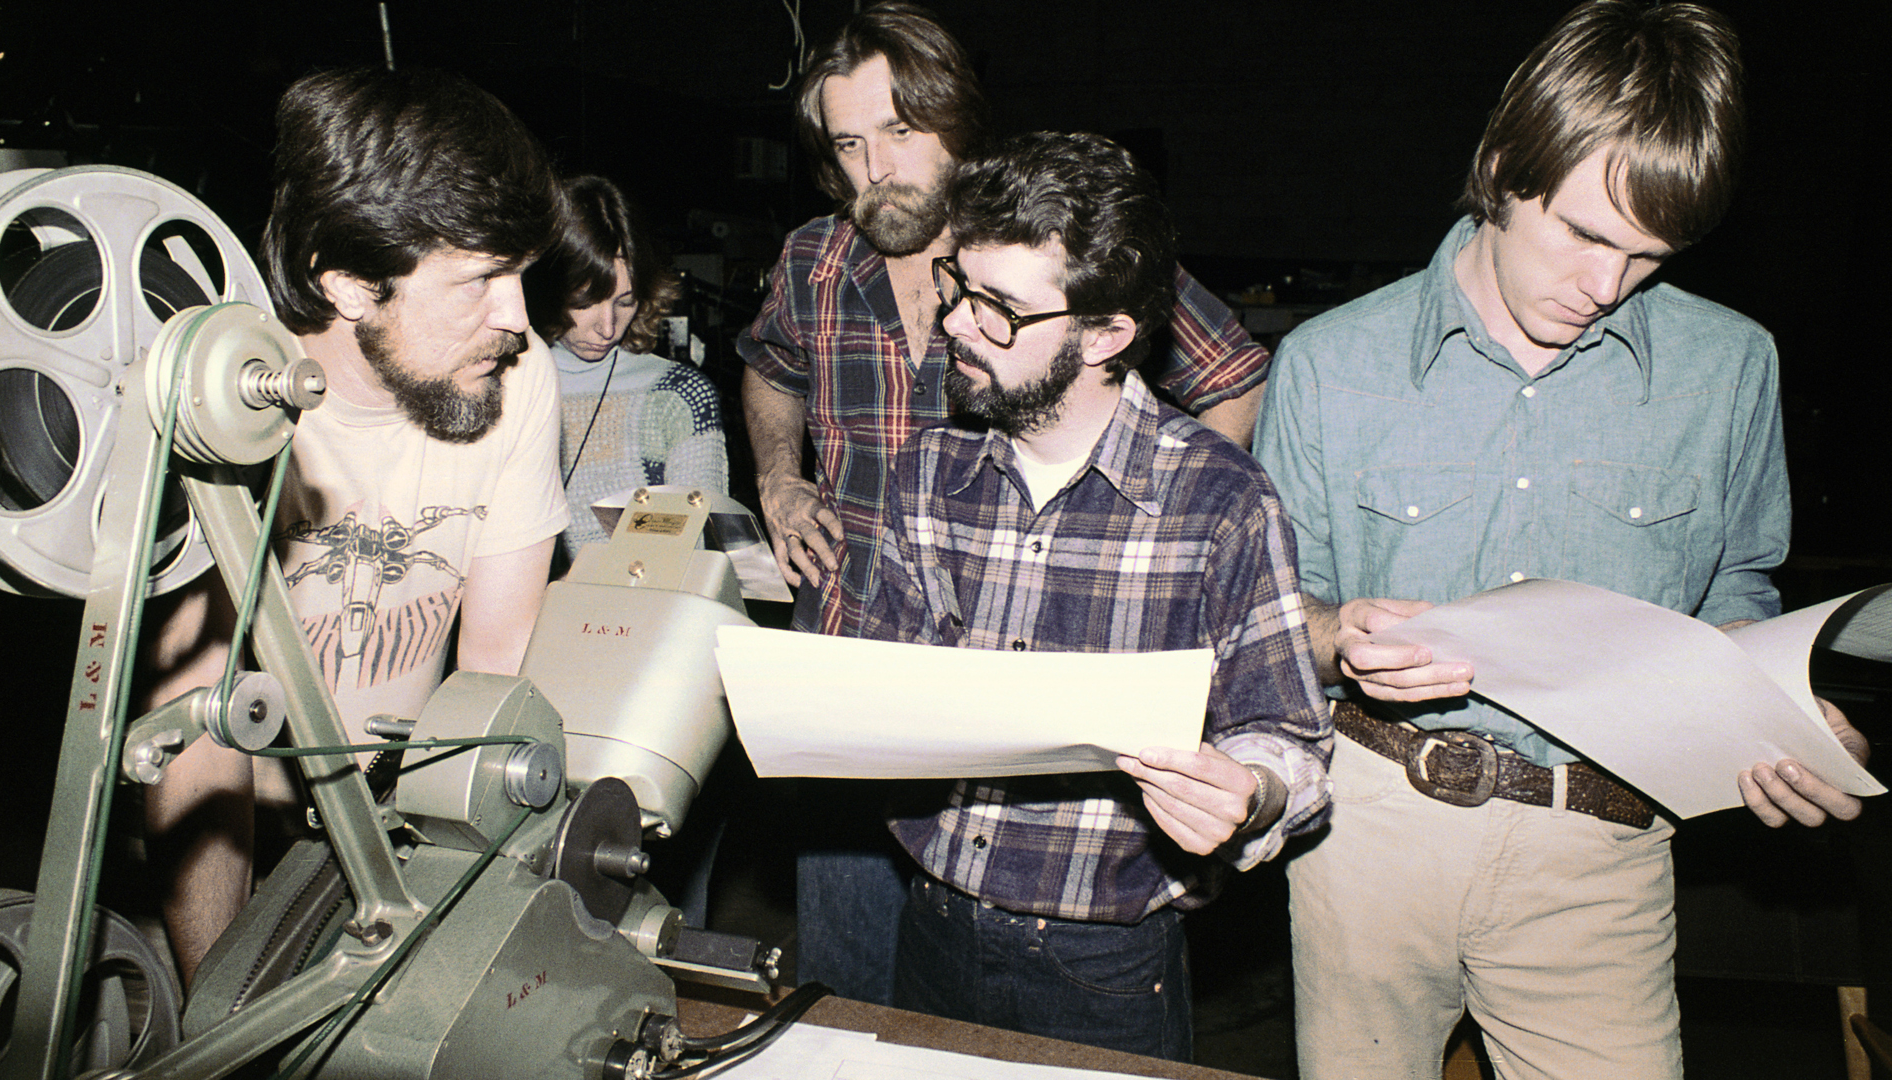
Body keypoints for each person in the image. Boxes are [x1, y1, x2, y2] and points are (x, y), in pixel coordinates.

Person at [1249, 4, 1871, 1077]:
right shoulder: (1326, 364)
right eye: (1585, 235)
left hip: (1603, 845)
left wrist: (1790, 718)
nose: (1605, 289)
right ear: (1501, 170)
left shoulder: (1729, 367)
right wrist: (1337, 632)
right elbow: (1266, 617)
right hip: (1371, 837)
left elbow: (1739, 583)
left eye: (1648, 257)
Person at [737, 0, 1270, 1004]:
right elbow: (768, 372)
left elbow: (1234, 374)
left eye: (899, 132)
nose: (874, 169)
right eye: (847, 142)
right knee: (847, 1007)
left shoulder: (1050, 250)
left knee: (1018, 1021)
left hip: (1023, 716)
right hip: (856, 685)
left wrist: (1155, 543)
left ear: (957, 124)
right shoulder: (813, 262)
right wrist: (779, 474)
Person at [859, 131, 1330, 1059]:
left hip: (1105, 963)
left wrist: (1252, 791)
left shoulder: (1219, 500)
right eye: (960, 285)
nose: (955, 322)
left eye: (1000, 310)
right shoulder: (927, 471)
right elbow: (885, 688)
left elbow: (1294, 741)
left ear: (1108, 334)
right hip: (930, 921)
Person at [143, 66, 567, 986]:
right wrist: (224, 1000)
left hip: (409, 814)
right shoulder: (223, 409)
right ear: (346, 284)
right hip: (240, 828)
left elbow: (493, 676)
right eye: (484, 279)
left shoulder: (518, 382)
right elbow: (196, 733)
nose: (521, 321)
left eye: (523, 275)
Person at [526, 175, 727, 564]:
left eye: (625, 301)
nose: (607, 327)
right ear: (546, 289)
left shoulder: (678, 396)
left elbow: (695, 553)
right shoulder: (500, 386)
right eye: (585, 301)